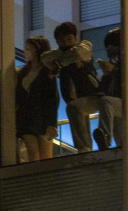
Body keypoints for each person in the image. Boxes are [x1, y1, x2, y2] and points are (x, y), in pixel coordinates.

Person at [41, 22, 109, 153]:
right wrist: (67, 58)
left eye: (69, 39)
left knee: (74, 108)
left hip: (93, 95)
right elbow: (45, 58)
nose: (66, 43)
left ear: (75, 38)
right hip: (73, 97)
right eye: (61, 41)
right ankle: (87, 148)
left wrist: (60, 62)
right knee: (78, 114)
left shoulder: (84, 46)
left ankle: (84, 148)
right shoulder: (61, 54)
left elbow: (80, 52)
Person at [15, 36, 60, 163]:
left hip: (43, 118)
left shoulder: (47, 71)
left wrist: (52, 123)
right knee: (33, 153)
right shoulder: (23, 72)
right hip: (26, 118)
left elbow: (53, 98)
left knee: (46, 156)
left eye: (30, 49)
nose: (26, 52)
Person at [95, 28, 123, 150]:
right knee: (121, 143)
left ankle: (105, 137)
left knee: (107, 102)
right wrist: (106, 75)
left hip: (122, 102)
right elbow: (101, 92)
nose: (110, 51)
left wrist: (114, 71)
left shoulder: (122, 65)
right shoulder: (113, 65)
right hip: (119, 106)